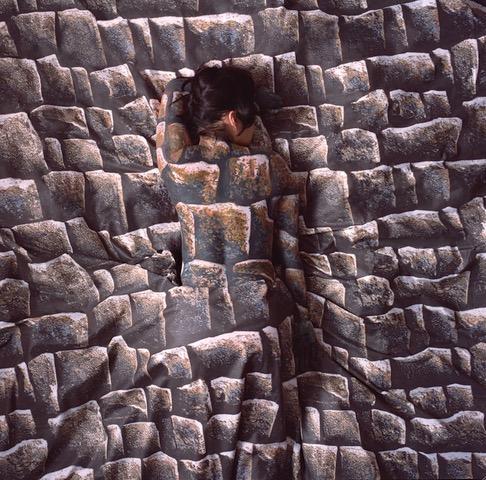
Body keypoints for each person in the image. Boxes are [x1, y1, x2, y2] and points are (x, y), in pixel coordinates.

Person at [156, 64, 317, 476]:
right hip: (256, 310)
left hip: (193, 313)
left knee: (200, 437)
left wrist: (183, 88)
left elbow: (170, 112)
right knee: (264, 438)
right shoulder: (271, 166)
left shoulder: (178, 164)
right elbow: (290, 251)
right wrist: (301, 316)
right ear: (234, 117)